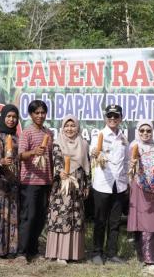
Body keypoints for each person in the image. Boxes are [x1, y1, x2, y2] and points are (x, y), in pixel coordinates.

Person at [45, 115, 89, 263]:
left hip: (77, 186)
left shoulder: (83, 144)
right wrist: (60, 171)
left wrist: (87, 185)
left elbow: (87, 166)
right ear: (62, 128)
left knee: (75, 216)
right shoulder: (58, 143)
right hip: (62, 186)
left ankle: (74, 253)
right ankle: (59, 253)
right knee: (61, 216)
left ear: (77, 127)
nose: (70, 129)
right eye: (67, 126)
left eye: (73, 126)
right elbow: (56, 160)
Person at [127, 120, 154, 267]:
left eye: (148, 130)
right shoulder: (134, 146)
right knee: (145, 222)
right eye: (142, 130)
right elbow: (131, 168)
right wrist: (133, 164)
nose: (145, 133)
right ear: (138, 132)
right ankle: (146, 256)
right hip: (141, 188)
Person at [90, 104, 128, 265]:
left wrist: (128, 181)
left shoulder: (123, 138)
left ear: (121, 118)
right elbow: (93, 151)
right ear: (105, 118)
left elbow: (126, 162)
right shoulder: (98, 135)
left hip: (119, 185)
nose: (112, 119)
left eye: (116, 116)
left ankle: (111, 253)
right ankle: (97, 252)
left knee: (115, 222)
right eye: (110, 116)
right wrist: (94, 152)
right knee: (100, 220)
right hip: (102, 184)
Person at [17, 100, 53, 262]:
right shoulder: (27, 132)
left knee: (40, 217)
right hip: (30, 182)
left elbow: (51, 157)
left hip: (45, 181)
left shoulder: (49, 133)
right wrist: (33, 152)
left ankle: (33, 249)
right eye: (36, 113)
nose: (40, 115)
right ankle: (22, 252)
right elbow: (20, 156)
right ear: (31, 115)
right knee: (28, 216)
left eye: (42, 112)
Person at [0, 104, 20, 258]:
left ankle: (12, 248)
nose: (11, 120)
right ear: (3, 117)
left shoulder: (16, 136)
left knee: (13, 213)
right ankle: (0, 249)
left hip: (14, 182)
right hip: (1, 181)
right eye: (8, 116)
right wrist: (2, 161)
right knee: (2, 214)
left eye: (14, 117)